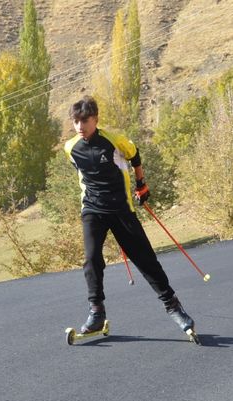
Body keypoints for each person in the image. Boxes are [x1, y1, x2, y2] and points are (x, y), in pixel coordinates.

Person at [63, 95, 194, 337]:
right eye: (76, 122)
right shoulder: (71, 148)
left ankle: (173, 306)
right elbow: (82, 173)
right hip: (92, 209)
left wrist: (141, 184)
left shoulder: (114, 142)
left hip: (121, 209)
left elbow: (134, 156)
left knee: (146, 260)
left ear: (96, 119)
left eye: (85, 121)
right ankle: (96, 311)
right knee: (91, 259)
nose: (80, 127)